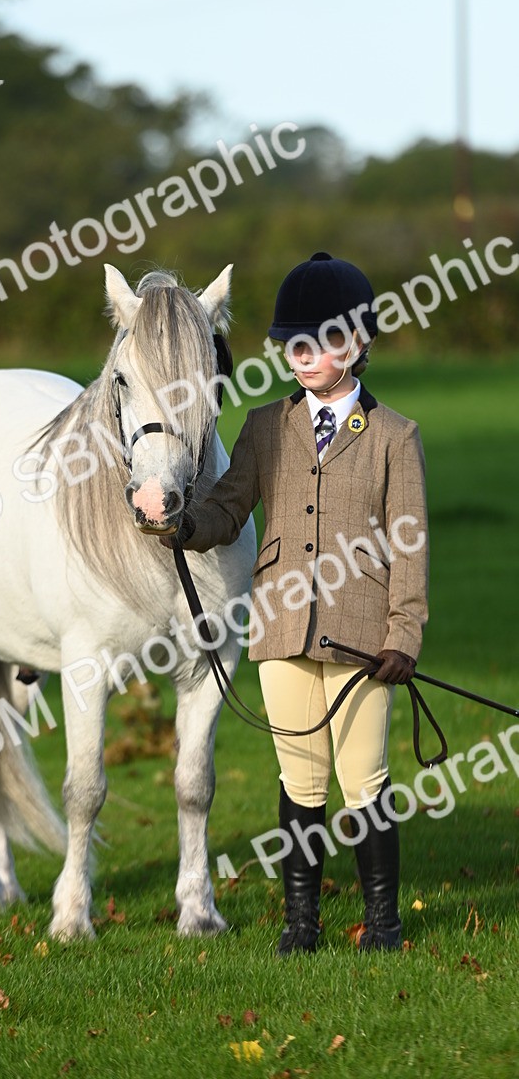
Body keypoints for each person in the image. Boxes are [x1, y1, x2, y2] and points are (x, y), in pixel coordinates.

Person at [175, 251, 429, 954]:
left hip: (363, 639)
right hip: (282, 632)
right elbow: (228, 509)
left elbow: (409, 548)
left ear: (360, 344)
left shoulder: (394, 439)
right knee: (300, 781)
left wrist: (403, 635)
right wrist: (184, 526)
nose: (308, 356)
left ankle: (382, 923)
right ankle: (301, 923)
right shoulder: (264, 427)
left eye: (325, 342)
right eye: (296, 345)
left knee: (364, 780)